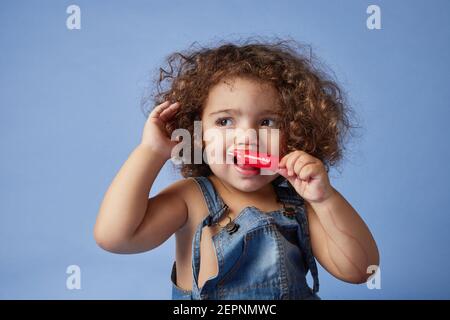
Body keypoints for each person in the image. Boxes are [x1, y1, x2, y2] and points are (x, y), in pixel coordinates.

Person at [94, 39, 379, 300]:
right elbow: (115, 237)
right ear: (196, 133)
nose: (247, 137)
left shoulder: (299, 201)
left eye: (267, 122)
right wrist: (151, 152)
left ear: (295, 134)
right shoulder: (191, 199)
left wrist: (325, 199)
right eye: (225, 122)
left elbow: (360, 270)